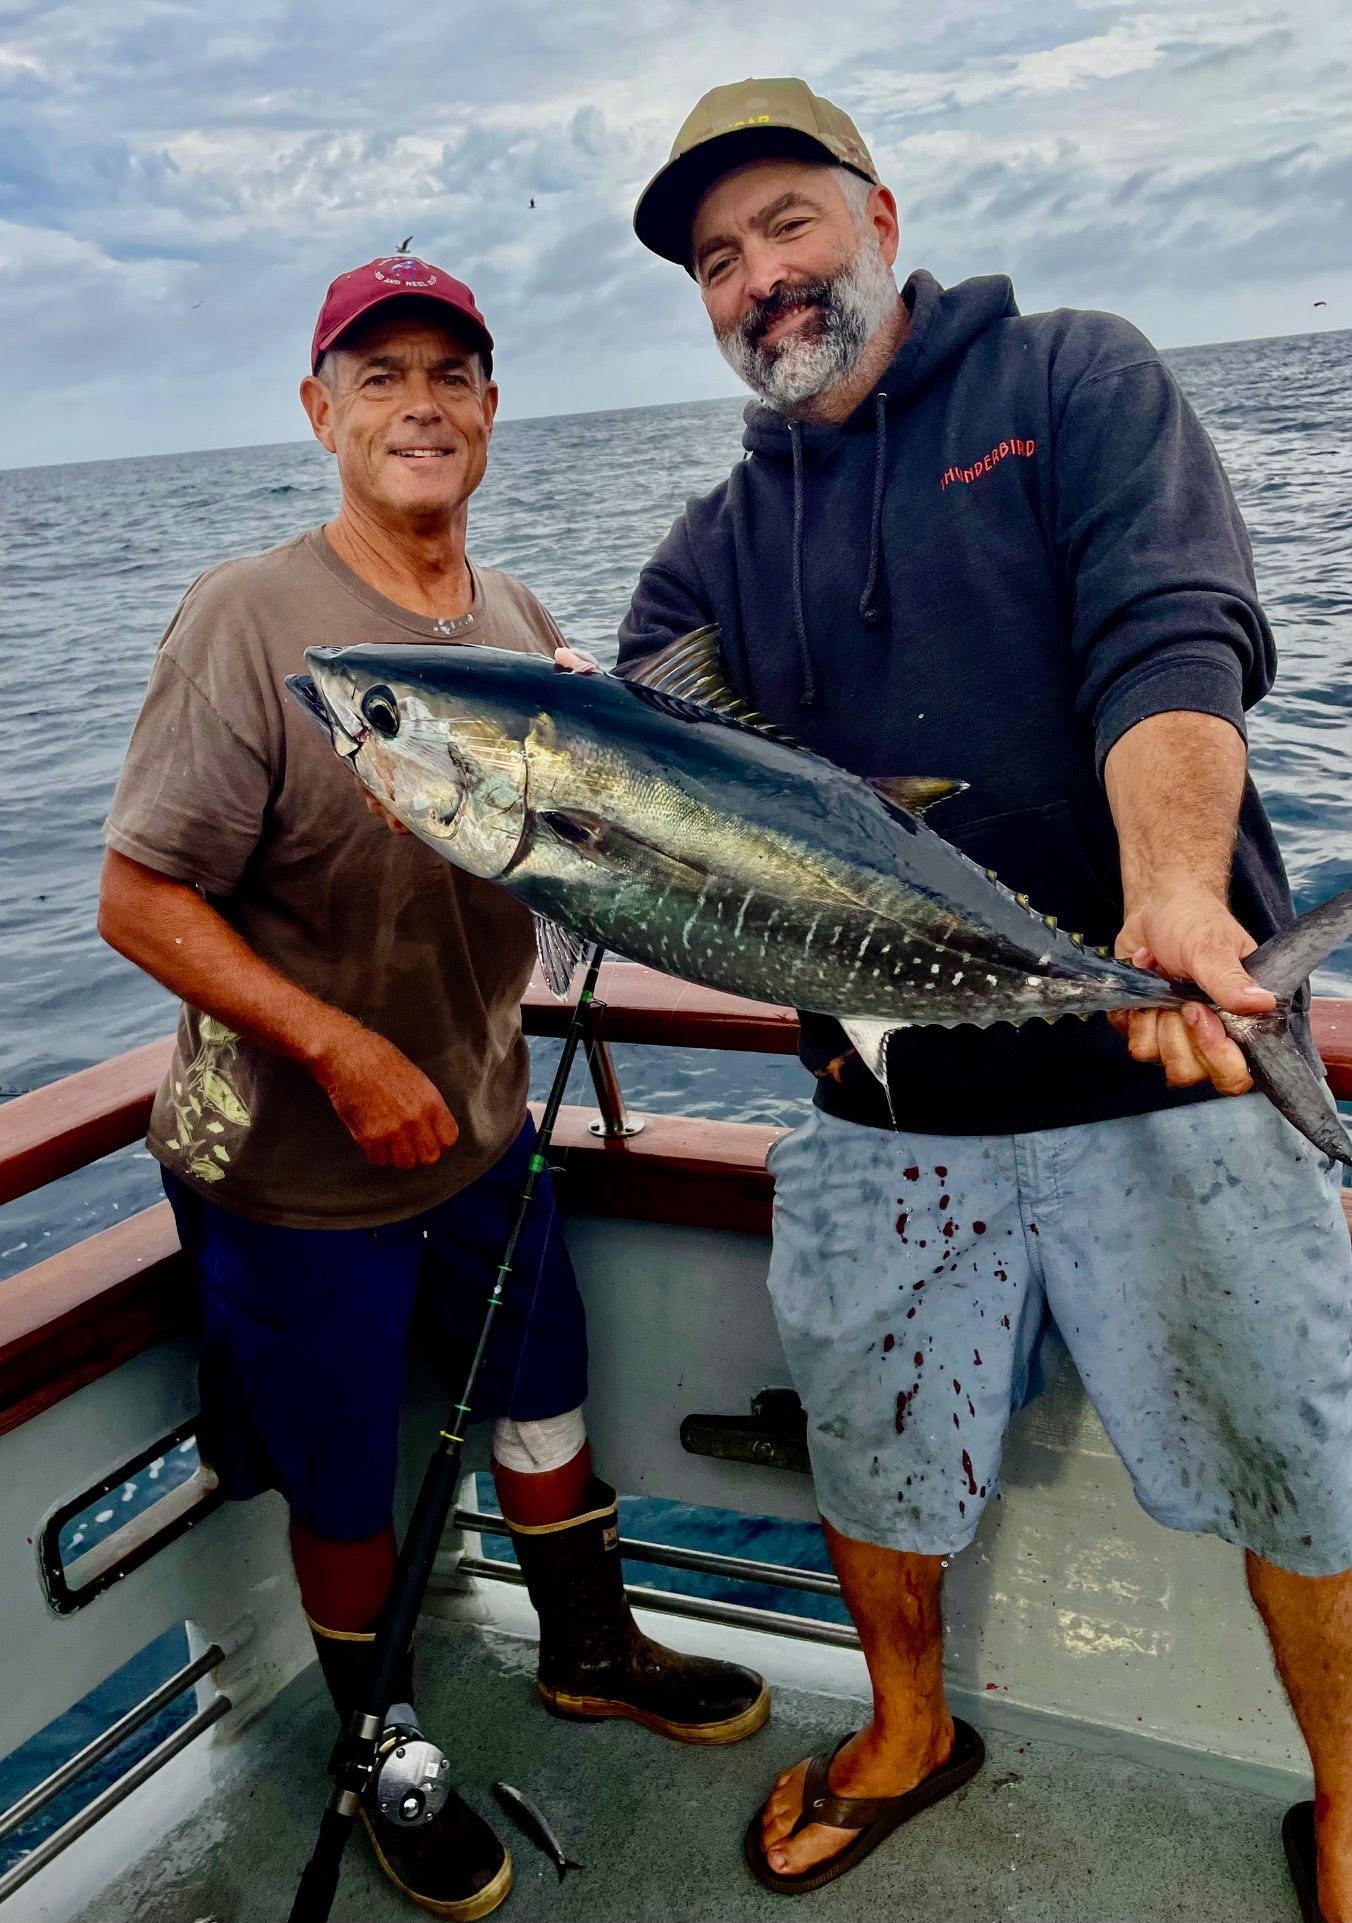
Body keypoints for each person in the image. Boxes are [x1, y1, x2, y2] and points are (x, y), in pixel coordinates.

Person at [621, 78, 1352, 1918]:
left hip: (1168, 1063)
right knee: (871, 1453)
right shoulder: (710, 556)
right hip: (888, 1117)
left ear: (880, 214)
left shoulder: (1071, 382)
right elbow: (658, 785)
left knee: (1303, 1450)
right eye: (718, 260)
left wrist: (1175, 898)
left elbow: (1170, 633)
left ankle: (1350, 1797)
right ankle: (906, 1731)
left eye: (787, 224)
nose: (760, 279)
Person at [98, 251, 767, 1920]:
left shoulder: (522, 620)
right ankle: (375, 1730)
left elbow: (571, 852)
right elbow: (138, 898)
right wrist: (335, 1041)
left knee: (542, 1388)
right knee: (341, 1466)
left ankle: (588, 1643)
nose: (419, 404)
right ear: (318, 410)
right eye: (378, 374)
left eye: (450, 374)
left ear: (490, 410)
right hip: (290, 1167)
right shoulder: (248, 624)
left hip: (479, 1125)